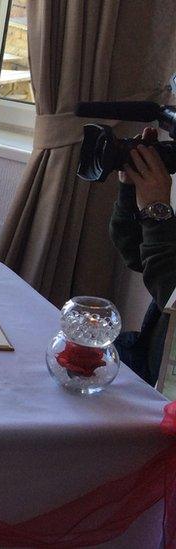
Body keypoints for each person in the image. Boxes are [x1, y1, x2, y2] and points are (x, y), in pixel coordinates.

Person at [109, 127, 176, 386]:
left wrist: (156, 210)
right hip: (148, 357)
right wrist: (130, 187)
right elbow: (138, 254)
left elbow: (170, 293)